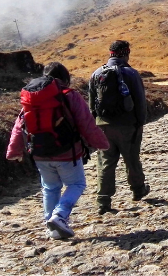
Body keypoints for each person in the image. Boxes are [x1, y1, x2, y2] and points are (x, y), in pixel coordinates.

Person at [6, 62, 110, 240]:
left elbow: (19, 126)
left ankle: (52, 227)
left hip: (39, 153)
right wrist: (101, 143)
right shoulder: (69, 95)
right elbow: (86, 123)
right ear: (65, 78)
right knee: (76, 184)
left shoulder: (32, 98)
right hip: (66, 153)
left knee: (50, 188)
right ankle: (59, 216)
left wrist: (14, 150)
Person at [89, 40, 149, 214]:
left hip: (103, 126)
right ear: (126, 53)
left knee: (106, 162)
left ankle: (103, 200)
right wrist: (140, 122)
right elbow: (140, 102)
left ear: (110, 53)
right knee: (131, 159)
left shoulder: (97, 73)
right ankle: (138, 190)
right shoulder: (131, 73)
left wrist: (97, 124)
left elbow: (92, 105)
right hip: (127, 125)